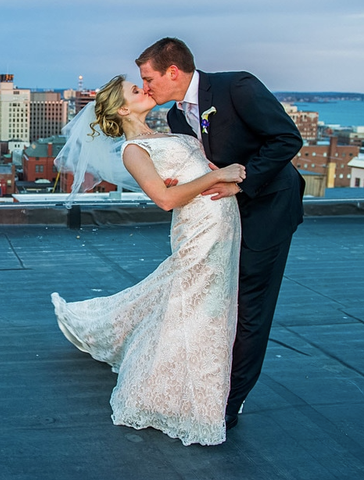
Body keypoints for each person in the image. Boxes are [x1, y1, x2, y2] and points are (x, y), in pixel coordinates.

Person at [52, 75, 246, 446]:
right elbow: (165, 199)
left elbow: (195, 173)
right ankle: (174, 396)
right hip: (198, 227)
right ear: (123, 109)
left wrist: (221, 178)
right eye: (135, 90)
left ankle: (208, 387)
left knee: (213, 304)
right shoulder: (133, 150)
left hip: (223, 221)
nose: (144, 90)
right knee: (193, 306)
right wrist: (219, 176)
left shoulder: (170, 131)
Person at [136, 37, 305, 430]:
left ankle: (229, 402)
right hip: (223, 220)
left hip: (268, 210)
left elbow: (287, 139)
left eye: (148, 78)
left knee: (250, 308)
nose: (145, 87)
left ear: (172, 72)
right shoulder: (177, 118)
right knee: (220, 302)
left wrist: (241, 183)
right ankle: (210, 384)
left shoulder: (237, 87)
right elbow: (203, 165)